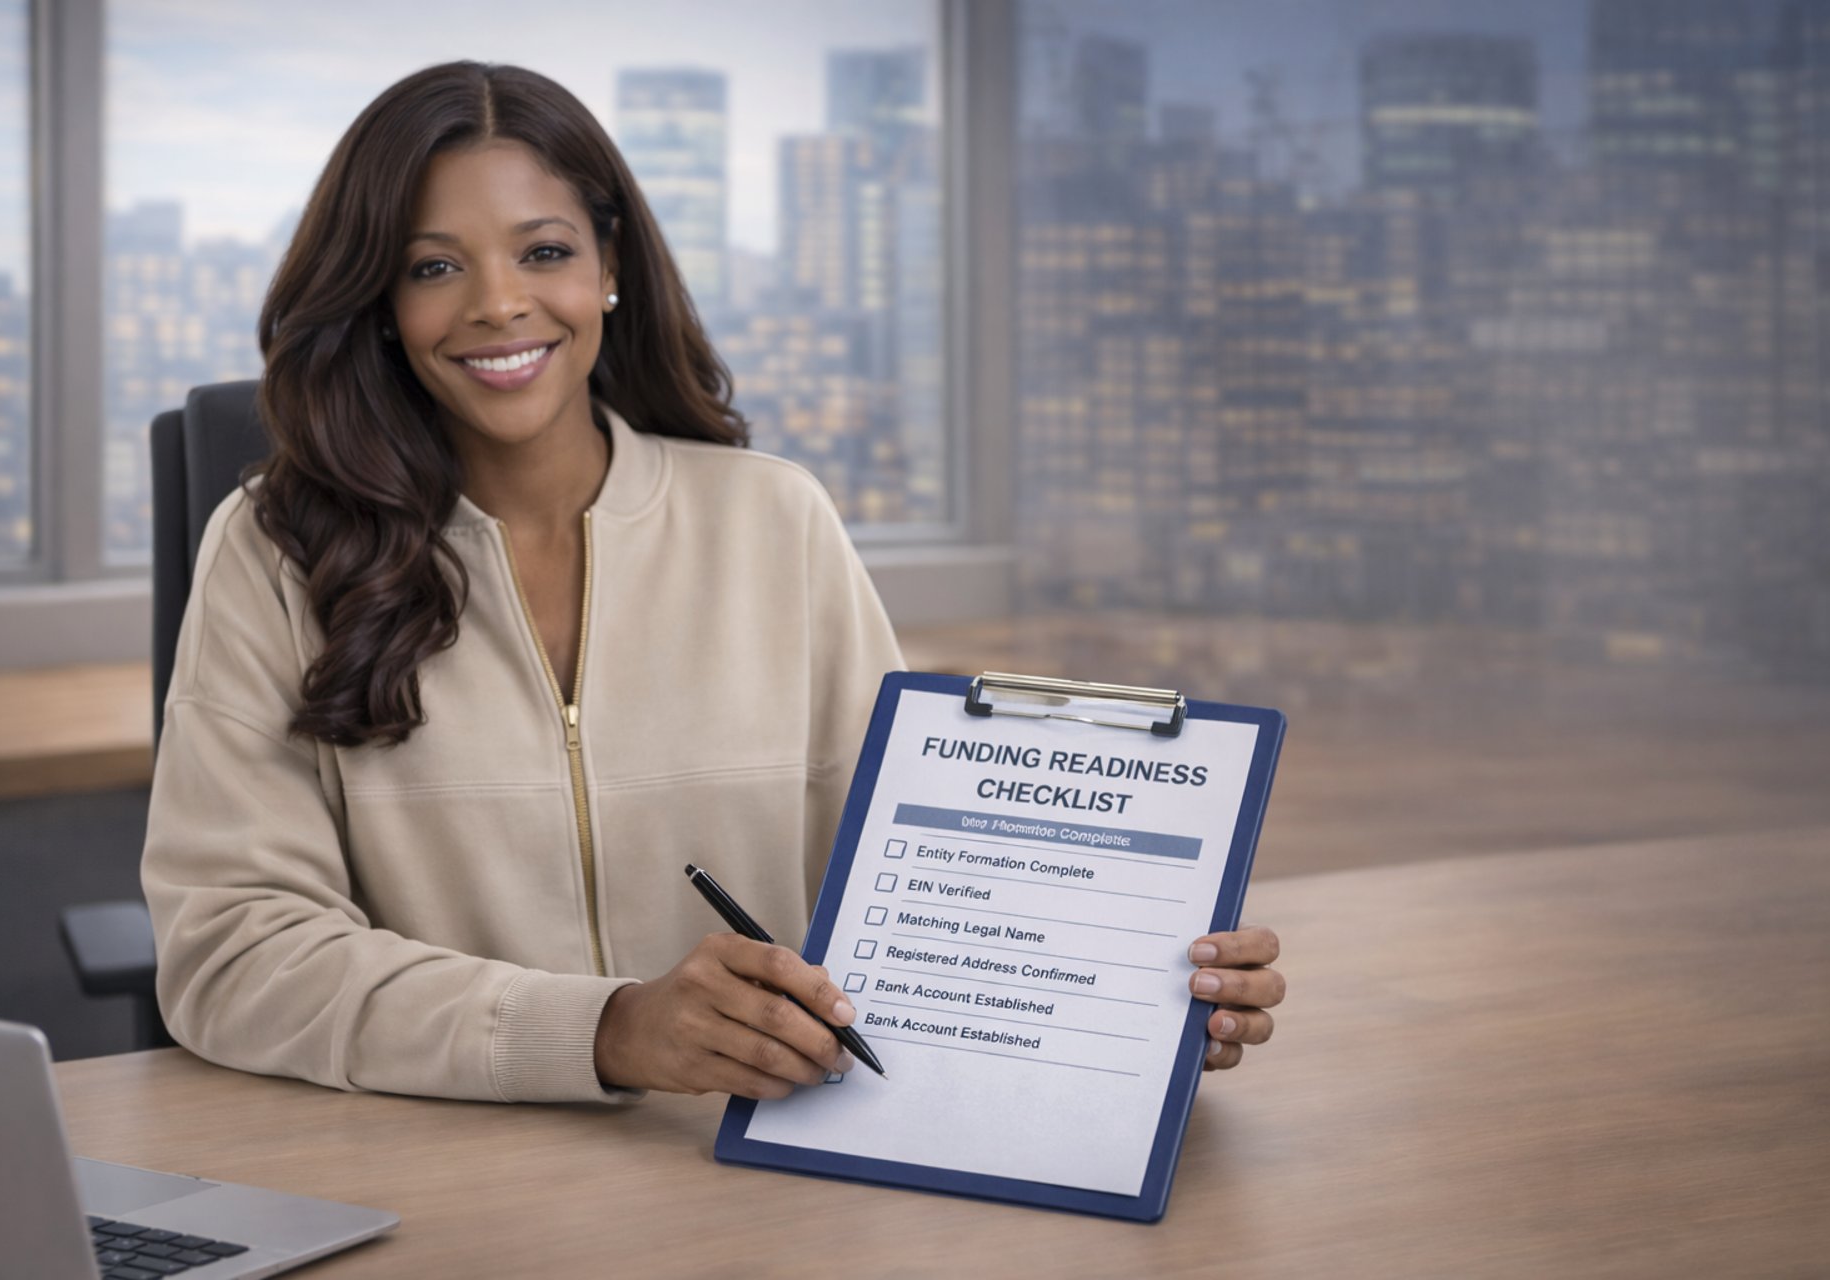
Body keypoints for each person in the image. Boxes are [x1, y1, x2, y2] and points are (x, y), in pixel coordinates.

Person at [140, 60, 1284, 1107]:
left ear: (610, 267)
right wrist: (603, 1030)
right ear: (382, 307)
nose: (497, 303)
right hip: (437, 1172)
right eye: (435, 267)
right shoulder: (278, 548)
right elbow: (234, 954)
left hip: (765, 1170)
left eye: (543, 251)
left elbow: (914, 880)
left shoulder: (772, 520)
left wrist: (1133, 987)